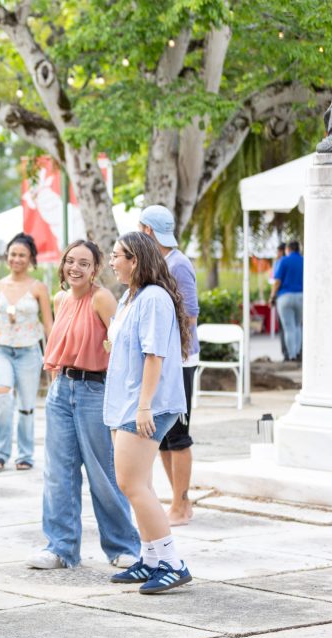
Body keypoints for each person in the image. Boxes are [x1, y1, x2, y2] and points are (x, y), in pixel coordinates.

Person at [27, 240, 139, 570]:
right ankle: (61, 548)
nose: (75, 268)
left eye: (84, 263)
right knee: (58, 474)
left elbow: (123, 347)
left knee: (103, 473)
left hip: (95, 391)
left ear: (95, 269)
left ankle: (122, 545)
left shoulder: (102, 298)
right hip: (61, 390)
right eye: (70, 261)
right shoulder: (61, 299)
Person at [105, 232, 193, 595]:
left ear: (135, 260)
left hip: (144, 404)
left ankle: (173, 563)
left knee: (132, 484)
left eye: (116, 256)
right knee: (139, 484)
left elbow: (154, 355)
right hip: (124, 400)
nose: (111, 262)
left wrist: (144, 404)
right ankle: (151, 558)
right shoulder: (130, 295)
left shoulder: (154, 298)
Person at [138, 205, 201, 526]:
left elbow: (190, 313)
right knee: (163, 435)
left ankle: (181, 503)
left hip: (180, 363)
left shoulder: (178, 264)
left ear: (148, 231)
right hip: (163, 361)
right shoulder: (158, 265)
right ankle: (177, 501)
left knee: (179, 434)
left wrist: (176, 357)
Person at [0, 233, 54, 471]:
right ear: (7, 256)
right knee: (2, 396)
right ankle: (0, 452)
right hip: (1, 351)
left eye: (22, 255)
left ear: (31, 258)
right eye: (13, 254)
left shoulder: (38, 287)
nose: (17, 259)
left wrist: (53, 357)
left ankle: (25, 455)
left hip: (29, 352)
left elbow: (49, 325)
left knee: (26, 406)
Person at [271, 240, 304, 362]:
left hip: (285, 297)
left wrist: (272, 296)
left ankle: (291, 355)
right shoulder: (304, 260)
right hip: (301, 296)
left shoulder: (283, 261)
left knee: (288, 328)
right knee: (298, 326)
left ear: (288, 249)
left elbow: (277, 281)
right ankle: (299, 352)